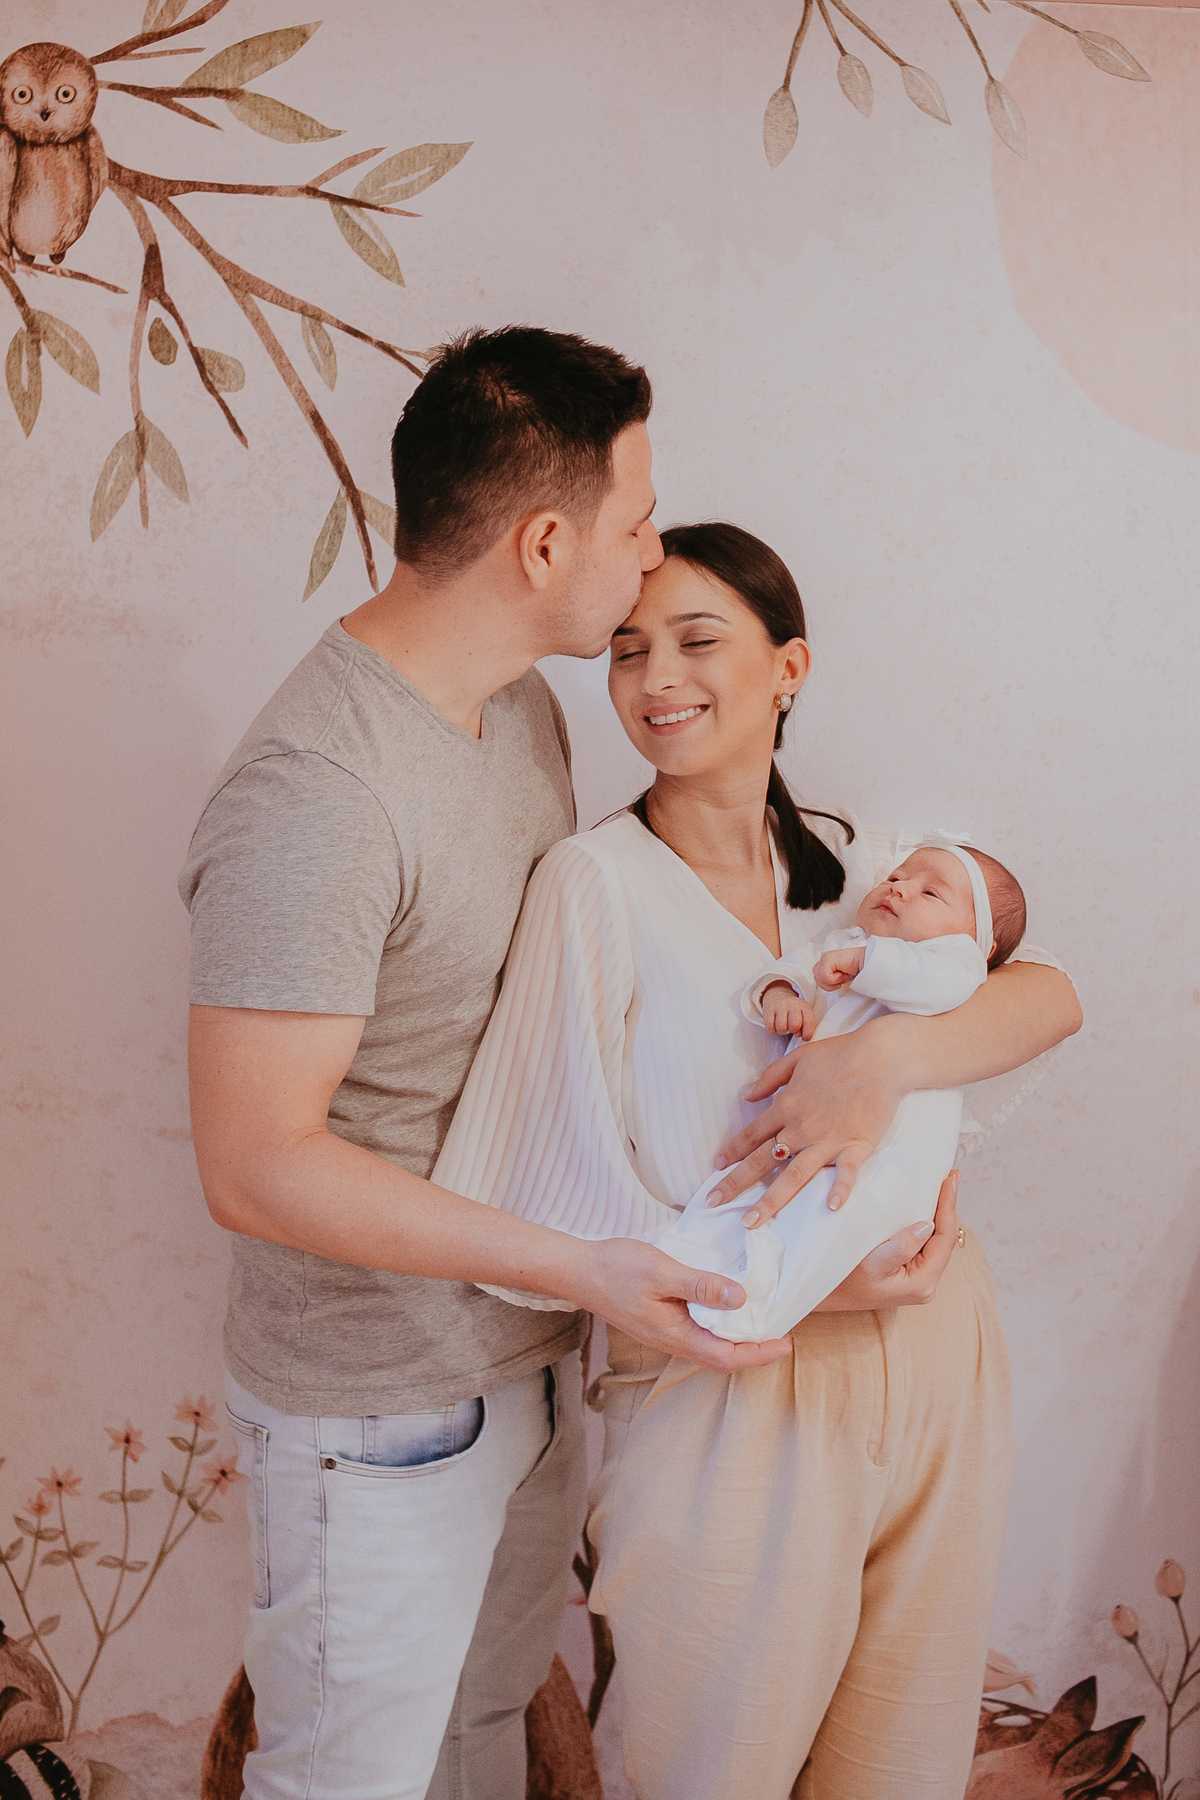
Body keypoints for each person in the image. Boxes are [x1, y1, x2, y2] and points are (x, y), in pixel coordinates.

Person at [180, 330, 805, 1800]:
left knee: (481, 1754)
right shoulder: (318, 794)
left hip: (528, 1366)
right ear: (543, 543)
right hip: (377, 1418)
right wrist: (581, 1266)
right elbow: (255, 1164)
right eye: (635, 521)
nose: (647, 555)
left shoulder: (522, 710)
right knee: (348, 1782)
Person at [432, 521, 1081, 1799]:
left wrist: (879, 1062)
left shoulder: (869, 871)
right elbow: (526, 1194)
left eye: (697, 639)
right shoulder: (594, 884)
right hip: (735, 1383)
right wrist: (805, 1285)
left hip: (940, 1354)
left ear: (790, 666)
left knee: (898, 1770)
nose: (656, 677)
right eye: (628, 650)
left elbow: (1049, 993)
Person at [654, 838, 1029, 1341]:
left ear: (981, 943)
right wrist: (782, 992)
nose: (899, 888)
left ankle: (761, 1302)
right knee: (756, 1198)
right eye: (896, 876)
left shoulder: (954, 960)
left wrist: (867, 960)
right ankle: (706, 1259)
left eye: (930, 893)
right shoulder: (848, 941)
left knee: (836, 1214)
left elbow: (941, 983)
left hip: (891, 1142)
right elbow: (800, 965)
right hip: (814, 1124)